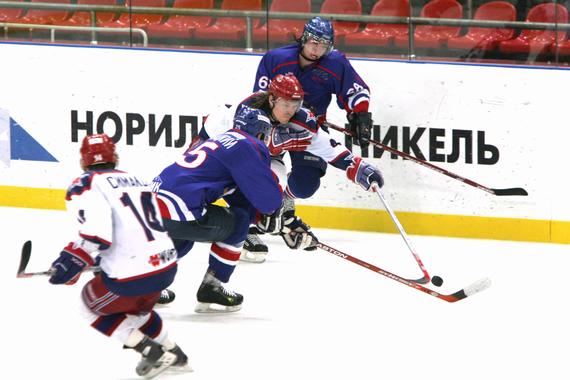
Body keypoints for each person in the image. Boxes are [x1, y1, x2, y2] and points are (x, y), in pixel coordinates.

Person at [188, 74, 383, 265]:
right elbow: (243, 154)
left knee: (273, 182)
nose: (291, 110)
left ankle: (244, 228)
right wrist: (276, 141)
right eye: (286, 104)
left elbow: (326, 146)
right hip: (218, 148)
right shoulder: (248, 111)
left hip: (259, 158)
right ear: (272, 99)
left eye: (295, 105)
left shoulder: (300, 119)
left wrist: (356, 166)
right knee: (204, 191)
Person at [48, 133, 190, 379]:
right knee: (139, 311)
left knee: (87, 306)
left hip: (133, 275)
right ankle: (174, 352)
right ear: (115, 157)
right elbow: (132, 232)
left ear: (83, 161)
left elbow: (97, 235)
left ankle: (151, 352)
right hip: (166, 266)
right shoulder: (137, 180)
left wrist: (71, 260)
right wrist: (86, 259)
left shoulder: (85, 183)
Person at [151, 104, 307, 312]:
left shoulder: (220, 141)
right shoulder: (250, 145)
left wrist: (272, 220)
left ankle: (147, 285)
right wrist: (278, 218)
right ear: (261, 133)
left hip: (149, 205)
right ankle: (212, 287)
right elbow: (268, 201)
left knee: (185, 235)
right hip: (179, 209)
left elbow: (238, 195)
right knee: (238, 222)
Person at [246, 16, 376, 260]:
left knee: (306, 185)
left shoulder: (335, 63)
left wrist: (360, 115)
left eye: (324, 44)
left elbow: (356, 90)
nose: (317, 49)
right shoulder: (276, 59)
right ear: (304, 38)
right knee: (256, 174)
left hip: (307, 130)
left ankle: (285, 201)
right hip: (272, 126)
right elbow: (259, 96)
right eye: (314, 42)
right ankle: (247, 226)